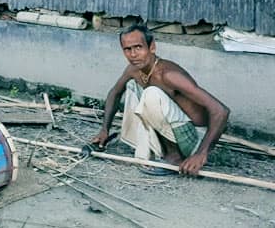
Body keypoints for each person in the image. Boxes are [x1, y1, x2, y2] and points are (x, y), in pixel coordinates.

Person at [91, 25, 230, 176]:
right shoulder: (133, 69)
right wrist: (104, 130)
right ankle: (150, 147)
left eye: (138, 47)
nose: (133, 54)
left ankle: (174, 157)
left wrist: (201, 153)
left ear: (152, 47)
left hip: (192, 138)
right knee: (131, 84)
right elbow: (114, 93)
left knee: (151, 94)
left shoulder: (168, 74)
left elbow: (221, 111)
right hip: (171, 132)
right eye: (127, 49)